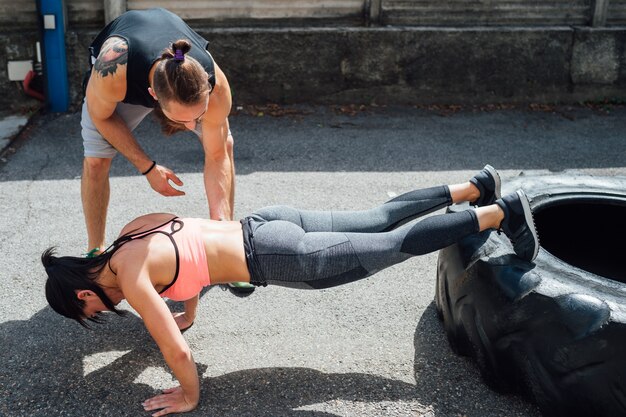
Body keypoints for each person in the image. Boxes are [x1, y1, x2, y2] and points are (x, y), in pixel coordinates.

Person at [42, 166, 539, 416]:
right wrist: (187, 308)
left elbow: (174, 349)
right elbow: (189, 258)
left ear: (85, 295)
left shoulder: (130, 278)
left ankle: (500, 213)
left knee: (389, 246)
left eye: (94, 313)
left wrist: (189, 394)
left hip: (278, 256)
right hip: (268, 222)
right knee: (376, 216)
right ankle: (475, 188)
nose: (112, 310)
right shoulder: (133, 232)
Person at [81, 7, 253, 293]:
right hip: (123, 81)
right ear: (153, 97)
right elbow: (102, 117)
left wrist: (221, 231)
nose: (190, 127)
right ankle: (95, 252)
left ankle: (225, 245)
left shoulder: (215, 84)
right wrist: (147, 167)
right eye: (181, 119)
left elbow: (217, 155)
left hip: (171, 77)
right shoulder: (113, 68)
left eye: (197, 116)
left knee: (224, 143)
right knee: (96, 161)